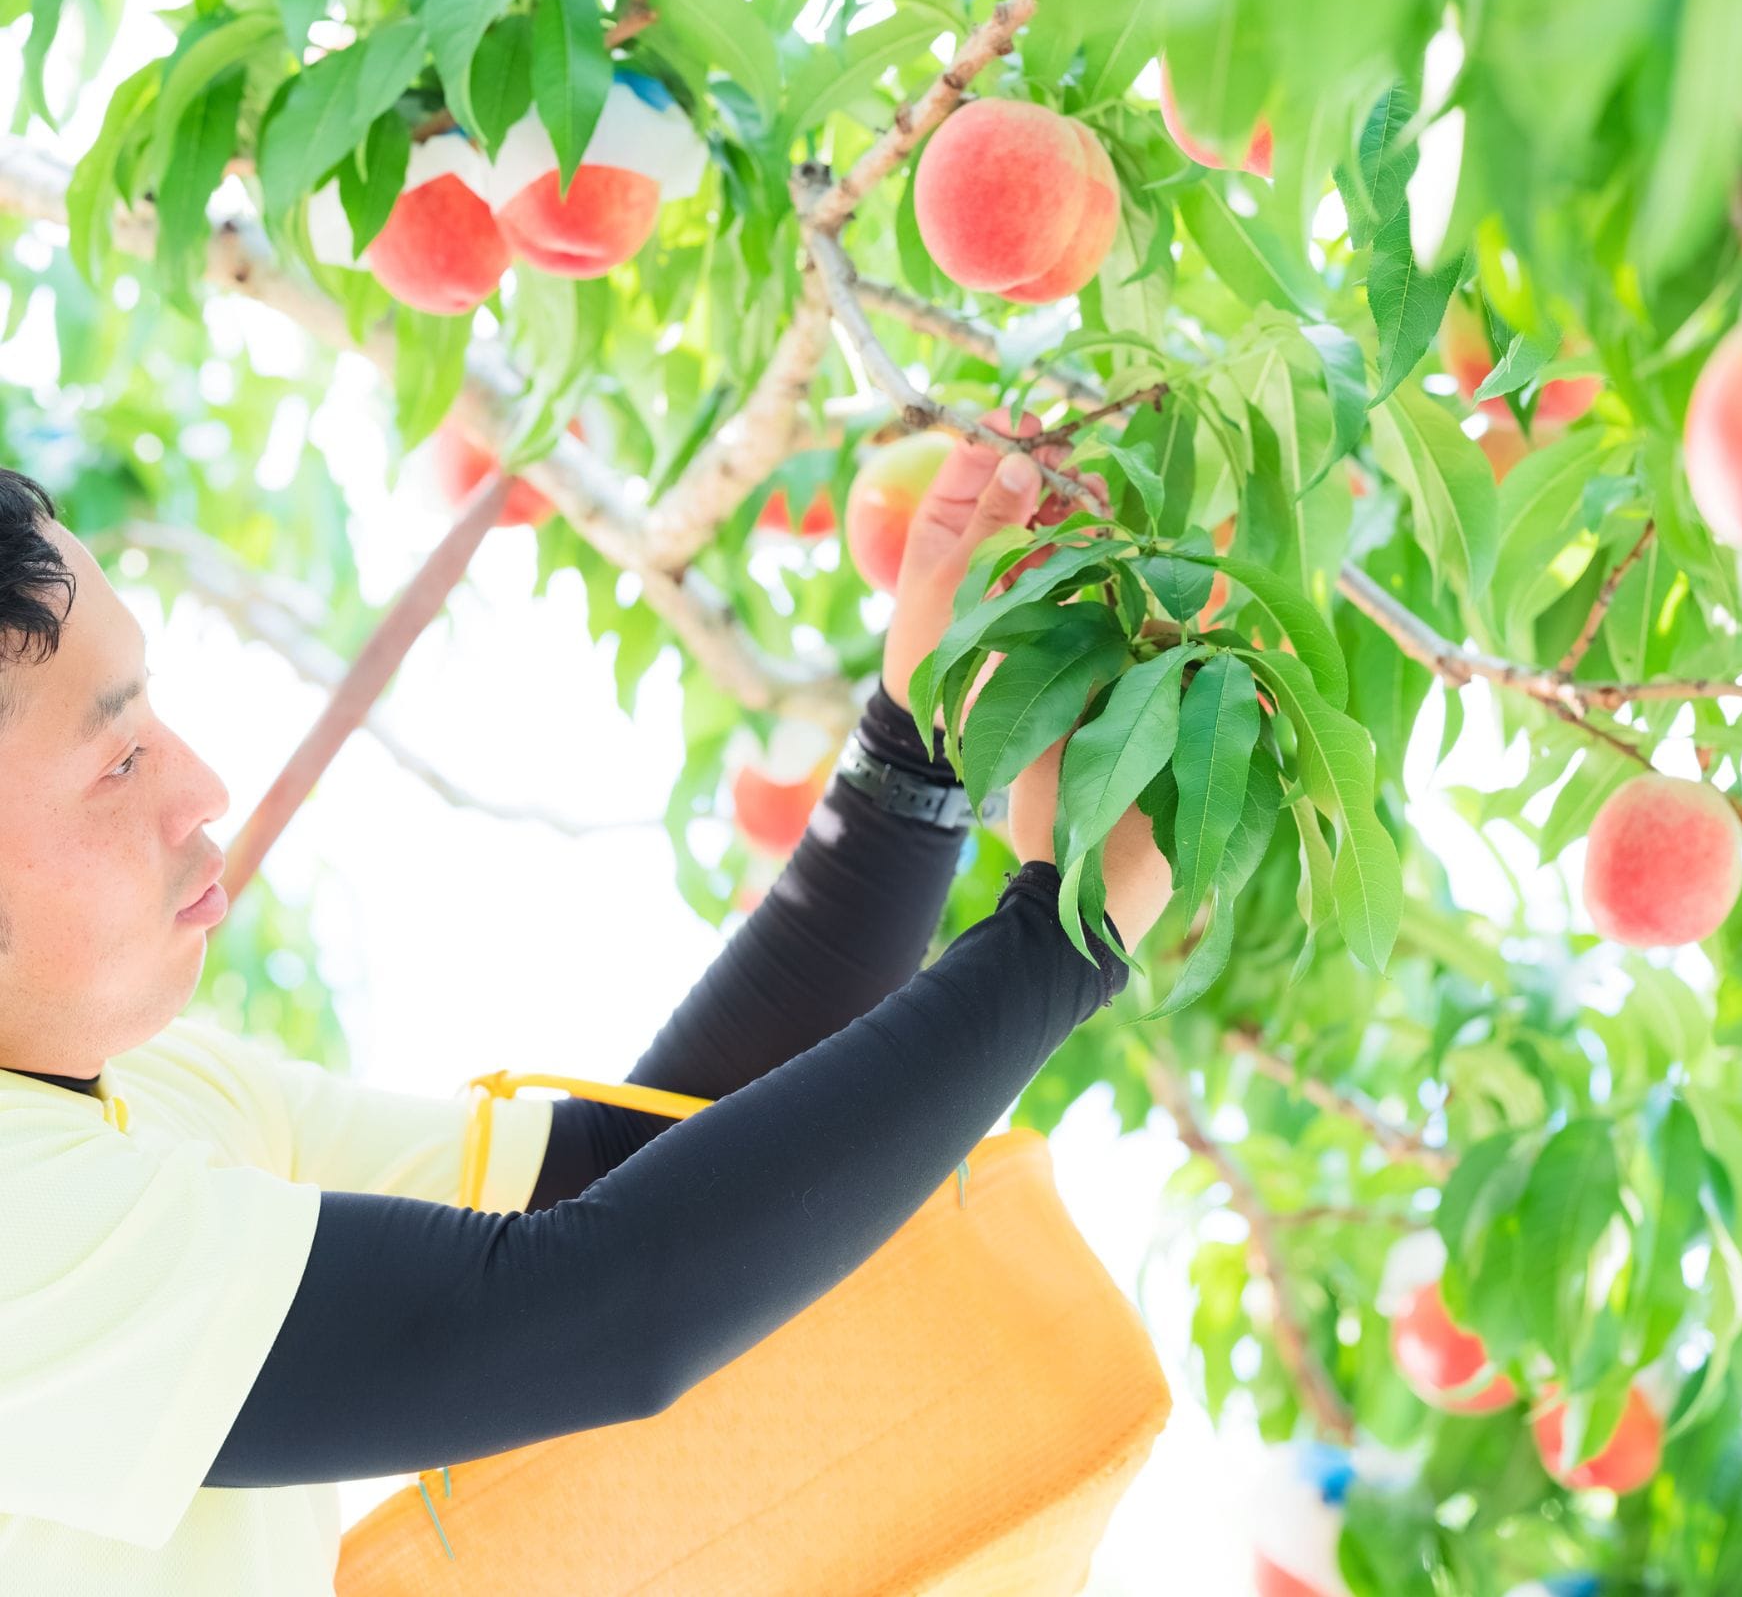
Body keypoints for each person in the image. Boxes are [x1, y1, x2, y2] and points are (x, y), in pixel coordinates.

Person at [0, 418, 1172, 1594]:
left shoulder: (165, 1089)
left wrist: (916, 752)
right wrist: (1061, 943)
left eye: (151, 717)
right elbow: (591, 1311)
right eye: (118, 760)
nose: (203, 786)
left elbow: (626, 1158)